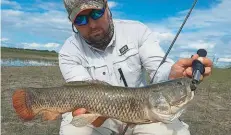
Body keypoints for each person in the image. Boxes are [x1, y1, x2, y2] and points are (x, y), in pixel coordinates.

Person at [58, 0, 213, 134]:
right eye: (81, 20)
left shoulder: (137, 31)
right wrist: (92, 114)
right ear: (73, 24)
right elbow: (82, 95)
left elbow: (158, 69)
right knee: (74, 130)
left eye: (96, 14)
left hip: (145, 111)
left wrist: (173, 74)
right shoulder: (68, 52)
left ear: (107, 9)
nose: (92, 24)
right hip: (98, 115)